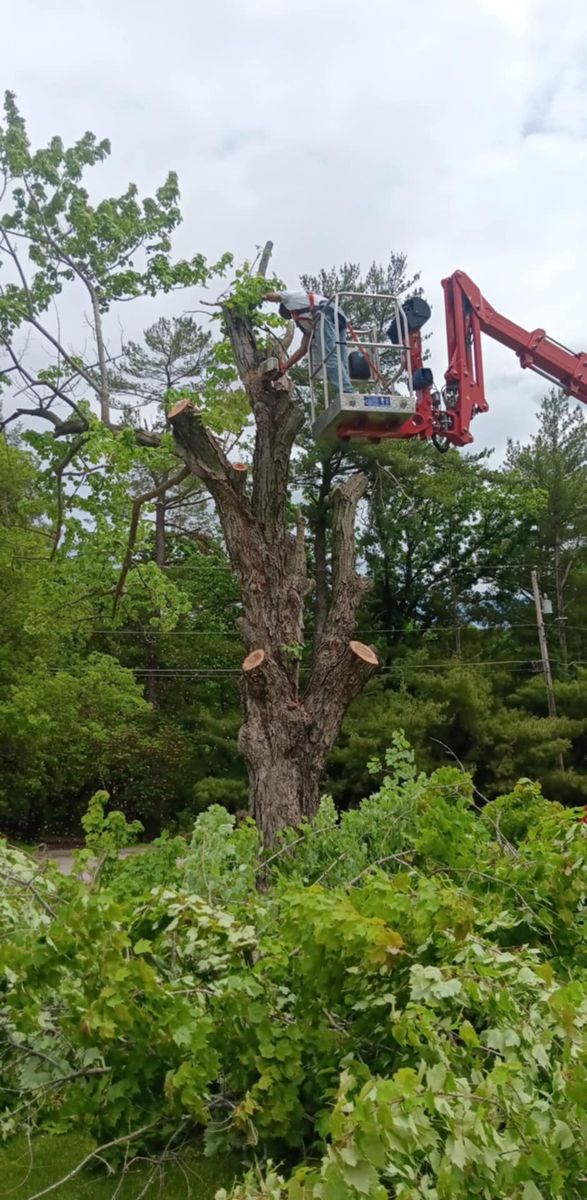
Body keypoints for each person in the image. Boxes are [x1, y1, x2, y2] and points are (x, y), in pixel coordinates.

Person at [264, 288, 356, 395]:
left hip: (324, 313)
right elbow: (304, 348)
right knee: (341, 357)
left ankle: (346, 392)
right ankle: (348, 389)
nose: (293, 316)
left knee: (329, 356)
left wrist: (262, 297)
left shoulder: (290, 299)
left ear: (289, 309)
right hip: (338, 315)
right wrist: (285, 366)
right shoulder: (305, 315)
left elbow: (275, 296)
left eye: (291, 314)